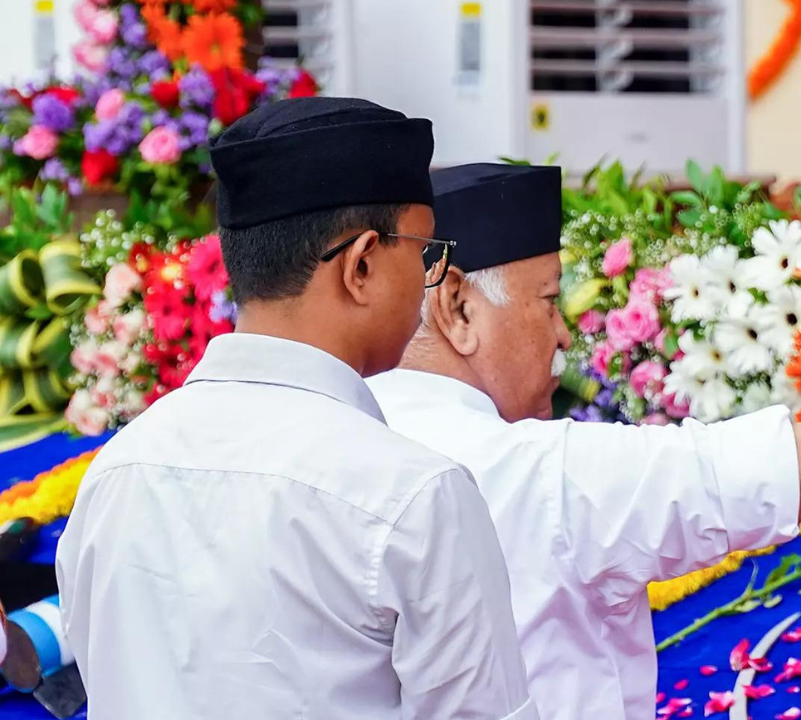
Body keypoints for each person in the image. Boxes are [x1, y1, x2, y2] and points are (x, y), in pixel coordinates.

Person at [368, 38, 801, 720]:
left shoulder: (327, 448)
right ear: (459, 306)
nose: (563, 336)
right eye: (548, 301)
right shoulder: (548, 476)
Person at [56, 98, 537, 720]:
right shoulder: (413, 493)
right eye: (424, 253)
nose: (428, 280)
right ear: (362, 264)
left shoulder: (117, 472)